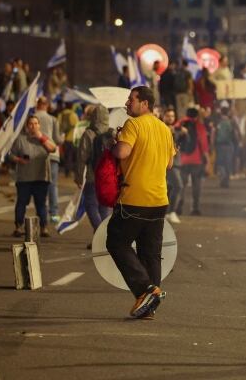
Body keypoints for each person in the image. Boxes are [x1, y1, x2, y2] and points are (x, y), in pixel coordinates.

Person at [107, 86, 175, 319]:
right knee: (150, 253)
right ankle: (149, 306)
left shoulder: (133, 125)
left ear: (144, 104)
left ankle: (145, 290)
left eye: (131, 99)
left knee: (116, 242)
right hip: (159, 199)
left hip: (135, 198)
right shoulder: (164, 129)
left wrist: (115, 143)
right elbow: (169, 165)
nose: (127, 103)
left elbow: (122, 153)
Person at [8, 115, 58, 237]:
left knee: (41, 204)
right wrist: (19, 160)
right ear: (27, 126)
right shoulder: (20, 139)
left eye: (36, 123)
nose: (33, 126)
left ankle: (43, 227)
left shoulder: (44, 138)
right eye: (31, 124)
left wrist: (41, 137)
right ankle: (19, 226)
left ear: (39, 125)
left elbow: (53, 149)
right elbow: (10, 154)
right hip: (24, 178)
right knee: (21, 203)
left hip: (41, 177)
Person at [74, 104, 113, 246]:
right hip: (109, 177)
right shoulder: (112, 133)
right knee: (105, 207)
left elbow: (82, 157)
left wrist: (78, 176)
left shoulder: (88, 134)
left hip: (93, 175)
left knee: (90, 204)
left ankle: (100, 235)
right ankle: (103, 237)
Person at [35, 97, 63, 223]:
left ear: (38, 104)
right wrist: (62, 138)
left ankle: (41, 213)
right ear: (46, 105)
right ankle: (54, 214)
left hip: (36, 155)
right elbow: (57, 139)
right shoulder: (53, 119)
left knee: (39, 185)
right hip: (52, 155)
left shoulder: (32, 118)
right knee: (53, 185)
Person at [179, 107, 209, 216]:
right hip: (196, 160)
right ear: (196, 116)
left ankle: (178, 206)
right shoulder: (199, 126)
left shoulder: (179, 124)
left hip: (182, 159)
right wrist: (208, 161)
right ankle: (195, 208)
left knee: (181, 185)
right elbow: (204, 145)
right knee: (196, 186)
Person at [162, 108, 186, 223]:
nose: (170, 118)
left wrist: (184, 134)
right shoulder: (162, 128)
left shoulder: (177, 129)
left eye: (172, 116)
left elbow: (183, 144)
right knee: (178, 186)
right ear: (164, 116)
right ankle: (171, 212)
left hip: (176, 162)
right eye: (168, 116)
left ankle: (168, 212)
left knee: (170, 188)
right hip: (167, 162)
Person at [214, 105, 238, 188]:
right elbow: (235, 134)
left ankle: (222, 178)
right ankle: (226, 181)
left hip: (219, 145)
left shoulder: (218, 121)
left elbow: (214, 133)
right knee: (228, 163)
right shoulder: (231, 122)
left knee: (220, 163)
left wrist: (212, 144)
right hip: (229, 145)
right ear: (228, 113)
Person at [58, 102, 79, 177]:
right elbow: (77, 126)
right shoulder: (74, 115)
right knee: (73, 155)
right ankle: (71, 171)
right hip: (73, 138)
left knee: (67, 155)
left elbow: (59, 125)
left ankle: (67, 171)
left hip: (65, 138)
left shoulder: (61, 115)